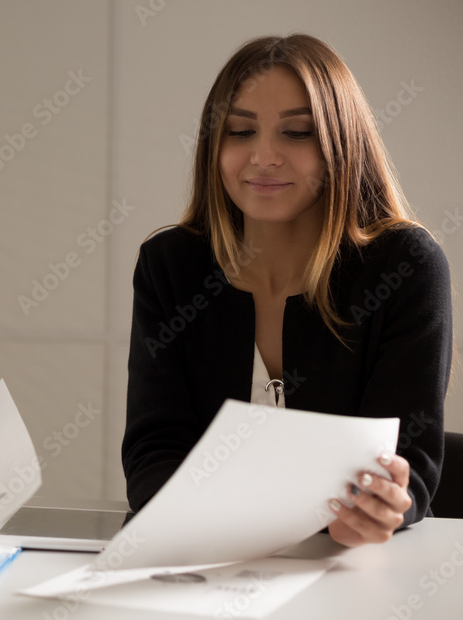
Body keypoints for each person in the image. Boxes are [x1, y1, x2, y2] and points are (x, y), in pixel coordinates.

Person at [122, 34, 451, 548]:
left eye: (297, 133)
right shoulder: (171, 267)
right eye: (240, 131)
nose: (265, 156)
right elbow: (154, 452)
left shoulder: (405, 266)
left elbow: (409, 462)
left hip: (352, 570)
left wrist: (373, 511)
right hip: (207, 563)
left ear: (341, 144)